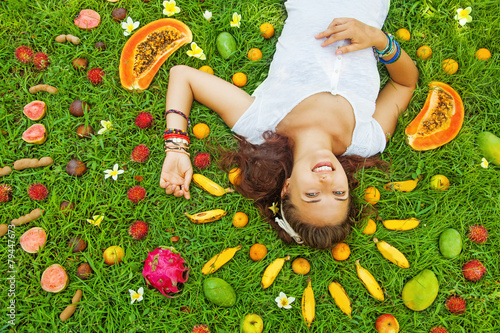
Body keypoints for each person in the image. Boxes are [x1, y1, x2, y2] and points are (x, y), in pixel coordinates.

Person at [159, 0, 419, 249]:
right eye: (338, 192)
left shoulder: (259, 124)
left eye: (313, 195)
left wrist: (175, 149)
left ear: (287, 188)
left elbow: (184, 76)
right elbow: (404, 84)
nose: (326, 181)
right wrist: (380, 41)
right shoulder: (367, 140)